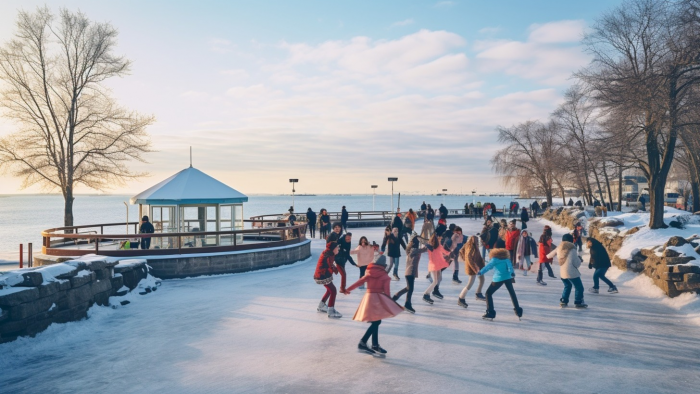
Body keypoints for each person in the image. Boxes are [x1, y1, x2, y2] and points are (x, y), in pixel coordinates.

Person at [346, 255, 404, 357]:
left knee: (376, 321)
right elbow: (386, 293)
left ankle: (375, 345)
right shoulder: (385, 276)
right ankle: (363, 342)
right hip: (377, 299)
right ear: (383, 265)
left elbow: (359, 282)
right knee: (377, 321)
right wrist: (392, 304)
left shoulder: (369, 272)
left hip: (368, 299)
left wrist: (348, 289)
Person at [479, 239, 522, 321]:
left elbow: (488, 267)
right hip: (508, 277)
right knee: (512, 293)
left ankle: (490, 312)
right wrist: (512, 273)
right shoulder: (506, 259)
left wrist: (480, 272)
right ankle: (518, 311)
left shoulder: (494, 259)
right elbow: (510, 267)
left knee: (488, 293)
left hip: (498, 279)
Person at [547, 234, 587, 308]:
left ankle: (563, 301)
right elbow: (576, 263)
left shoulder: (559, 247)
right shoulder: (572, 249)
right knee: (579, 287)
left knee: (567, 285)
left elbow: (549, 256)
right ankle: (578, 301)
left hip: (562, 272)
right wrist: (579, 260)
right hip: (571, 272)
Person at [392, 235, 428, 313]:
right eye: (417, 243)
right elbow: (424, 249)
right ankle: (407, 303)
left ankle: (397, 297)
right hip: (410, 272)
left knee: (409, 288)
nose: (417, 244)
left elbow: (423, 249)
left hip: (410, 272)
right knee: (410, 289)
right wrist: (428, 244)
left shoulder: (412, 250)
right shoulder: (413, 250)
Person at [314, 241, 342, 318]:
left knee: (330, 290)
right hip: (322, 275)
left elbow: (330, 264)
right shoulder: (328, 255)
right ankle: (331, 311)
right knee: (333, 290)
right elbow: (328, 265)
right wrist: (334, 269)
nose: (338, 249)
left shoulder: (329, 253)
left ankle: (321, 306)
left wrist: (334, 268)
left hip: (322, 274)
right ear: (333, 249)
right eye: (337, 247)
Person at [457, 235, 486, 307]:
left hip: (478, 266)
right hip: (472, 267)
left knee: (482, 278)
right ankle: (461, 298)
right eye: (476, 241)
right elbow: (469, 258)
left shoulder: (471, 245)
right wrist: (474, 268)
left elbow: (461, 251)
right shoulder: (471, 247)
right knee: (470, 284)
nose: (477, 242)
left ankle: (478, 293)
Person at [423, 234, 450, 304]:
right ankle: (426, 294)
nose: (440, 240)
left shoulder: (429, 247)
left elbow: (423, 249)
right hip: (435, 266)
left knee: (439, 278)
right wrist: (451, 252)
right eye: (439, 239)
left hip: (435, 265)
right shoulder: (438, 246)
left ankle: (435, 291)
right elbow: (446, 252)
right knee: (435, 281)